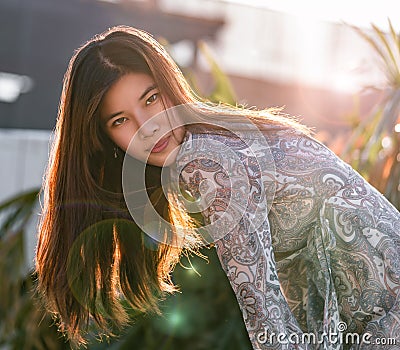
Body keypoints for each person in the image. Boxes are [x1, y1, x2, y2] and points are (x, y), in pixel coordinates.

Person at [36, 25, 400, 349]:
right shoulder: (214, 140)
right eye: (121, 120)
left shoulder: (212, 163)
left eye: (151, 99)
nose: (148, 126)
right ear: (105, 139)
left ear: (169, 87)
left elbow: (263, 306)